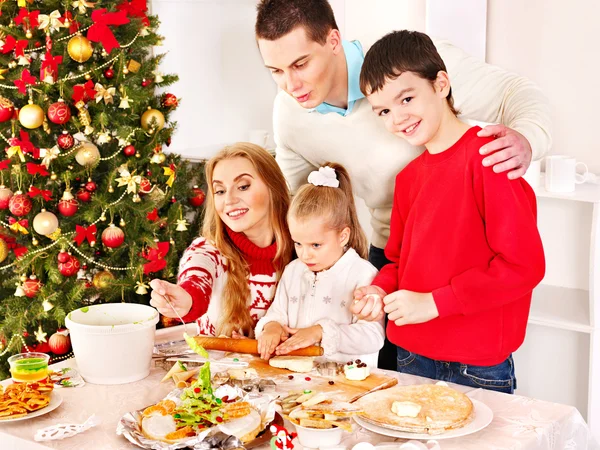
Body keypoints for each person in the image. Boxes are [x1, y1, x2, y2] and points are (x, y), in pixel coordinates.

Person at [255, 0, 552, 369]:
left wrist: (527, 140)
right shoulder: (290, 114)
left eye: (300, 64)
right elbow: (301, 203)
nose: (291, 84)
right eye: (276, 71)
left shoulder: (408, 60)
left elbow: (516, 94)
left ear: (333, 40)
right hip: (394, 263)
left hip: (466, 287)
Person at [352, 30, 545, 393]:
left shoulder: (489, 157)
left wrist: (436, 303)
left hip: (477, 366)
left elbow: (524, 265)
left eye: (407, 98)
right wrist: (378, 291)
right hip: (410, 356)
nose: (398, 118)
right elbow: (396, 264)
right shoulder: (408, 179)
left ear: (441, 84)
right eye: (384, 111)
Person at [149, 143, 294, 337]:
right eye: (220, 191)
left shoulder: (306, 250)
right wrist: (184, 299)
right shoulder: (206, 251)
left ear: (273, 187)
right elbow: (196, 280)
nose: (229, 200)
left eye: (243, 186)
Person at [255, 163, 384, 367]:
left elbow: (373, 336)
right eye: (298, 243)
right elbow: (278, 312)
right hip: (297, 380)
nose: (305, 254)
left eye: (316, 245)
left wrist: (321, 331)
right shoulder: (293, 270)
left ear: (343, 236)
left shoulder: (364, 275)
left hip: (348, 384)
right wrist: (271, 327)